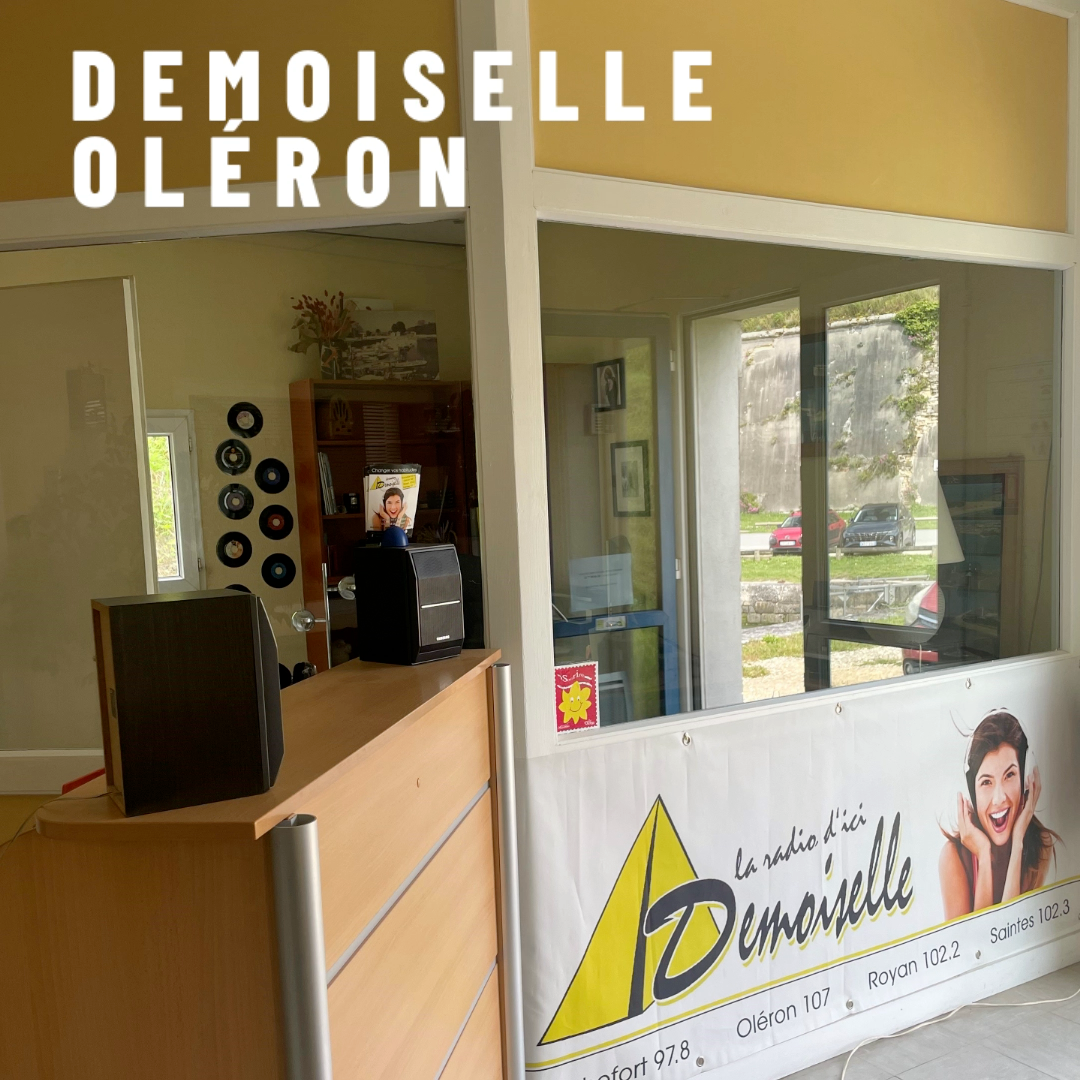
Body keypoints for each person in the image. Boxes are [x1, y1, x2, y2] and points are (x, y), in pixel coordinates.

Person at [939, 710, 1057, 918]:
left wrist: (1018, 843)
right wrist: (983, 856)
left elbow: (1015, 926)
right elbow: (980, 937)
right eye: (986, 782)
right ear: (972, 792)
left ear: (1025, 779)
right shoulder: (953, 857)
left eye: (1009, 775)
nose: (999, 798)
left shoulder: (1039, 845)